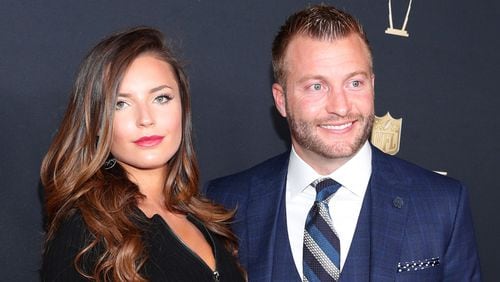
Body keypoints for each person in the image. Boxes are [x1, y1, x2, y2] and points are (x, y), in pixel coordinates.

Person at [204, 4, 481, 282]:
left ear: (372, 84)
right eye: (317, 86)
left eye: (355, 83)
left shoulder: (442, 204)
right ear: (281, 99)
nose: (340, 106)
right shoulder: (226, 204)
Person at [40, 27, 245, 282]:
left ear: (183, 107)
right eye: (121, 104)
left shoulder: (208, 220)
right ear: (97, 122)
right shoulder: (85, 235)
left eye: (161, 98)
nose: (145, 119)